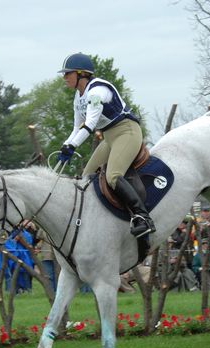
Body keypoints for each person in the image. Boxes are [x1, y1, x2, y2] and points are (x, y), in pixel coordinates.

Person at [56, 52, 154, 238]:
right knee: (86, 177)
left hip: (127, 132)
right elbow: (77, 127)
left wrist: (73, 146)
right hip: (109, 137)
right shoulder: (78, 97)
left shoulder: (96, 92)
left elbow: (90, 123)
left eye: (68, 73)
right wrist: (65, 146)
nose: (64, 77)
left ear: (81, 74)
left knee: (113, 176)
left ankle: (142, 217)